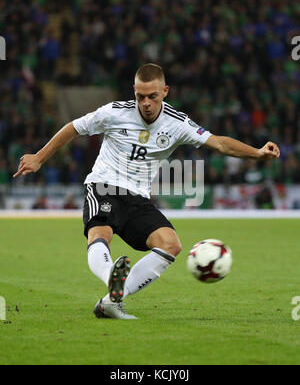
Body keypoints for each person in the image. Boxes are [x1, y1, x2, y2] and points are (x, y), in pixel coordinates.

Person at [13, 64, 280, 319]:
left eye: (152, 96)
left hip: (138, 198)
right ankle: (111, 277)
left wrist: (257, 153)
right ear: (134, 92)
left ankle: (111, 300)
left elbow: (219, 143)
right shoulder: (114, 112)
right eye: (140, 96)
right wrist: (39, 156)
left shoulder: (177, 123)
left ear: (165, 91)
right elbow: (74, 127)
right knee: (100, 233)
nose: (146, 103)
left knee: (171, 244)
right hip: (103, 186)